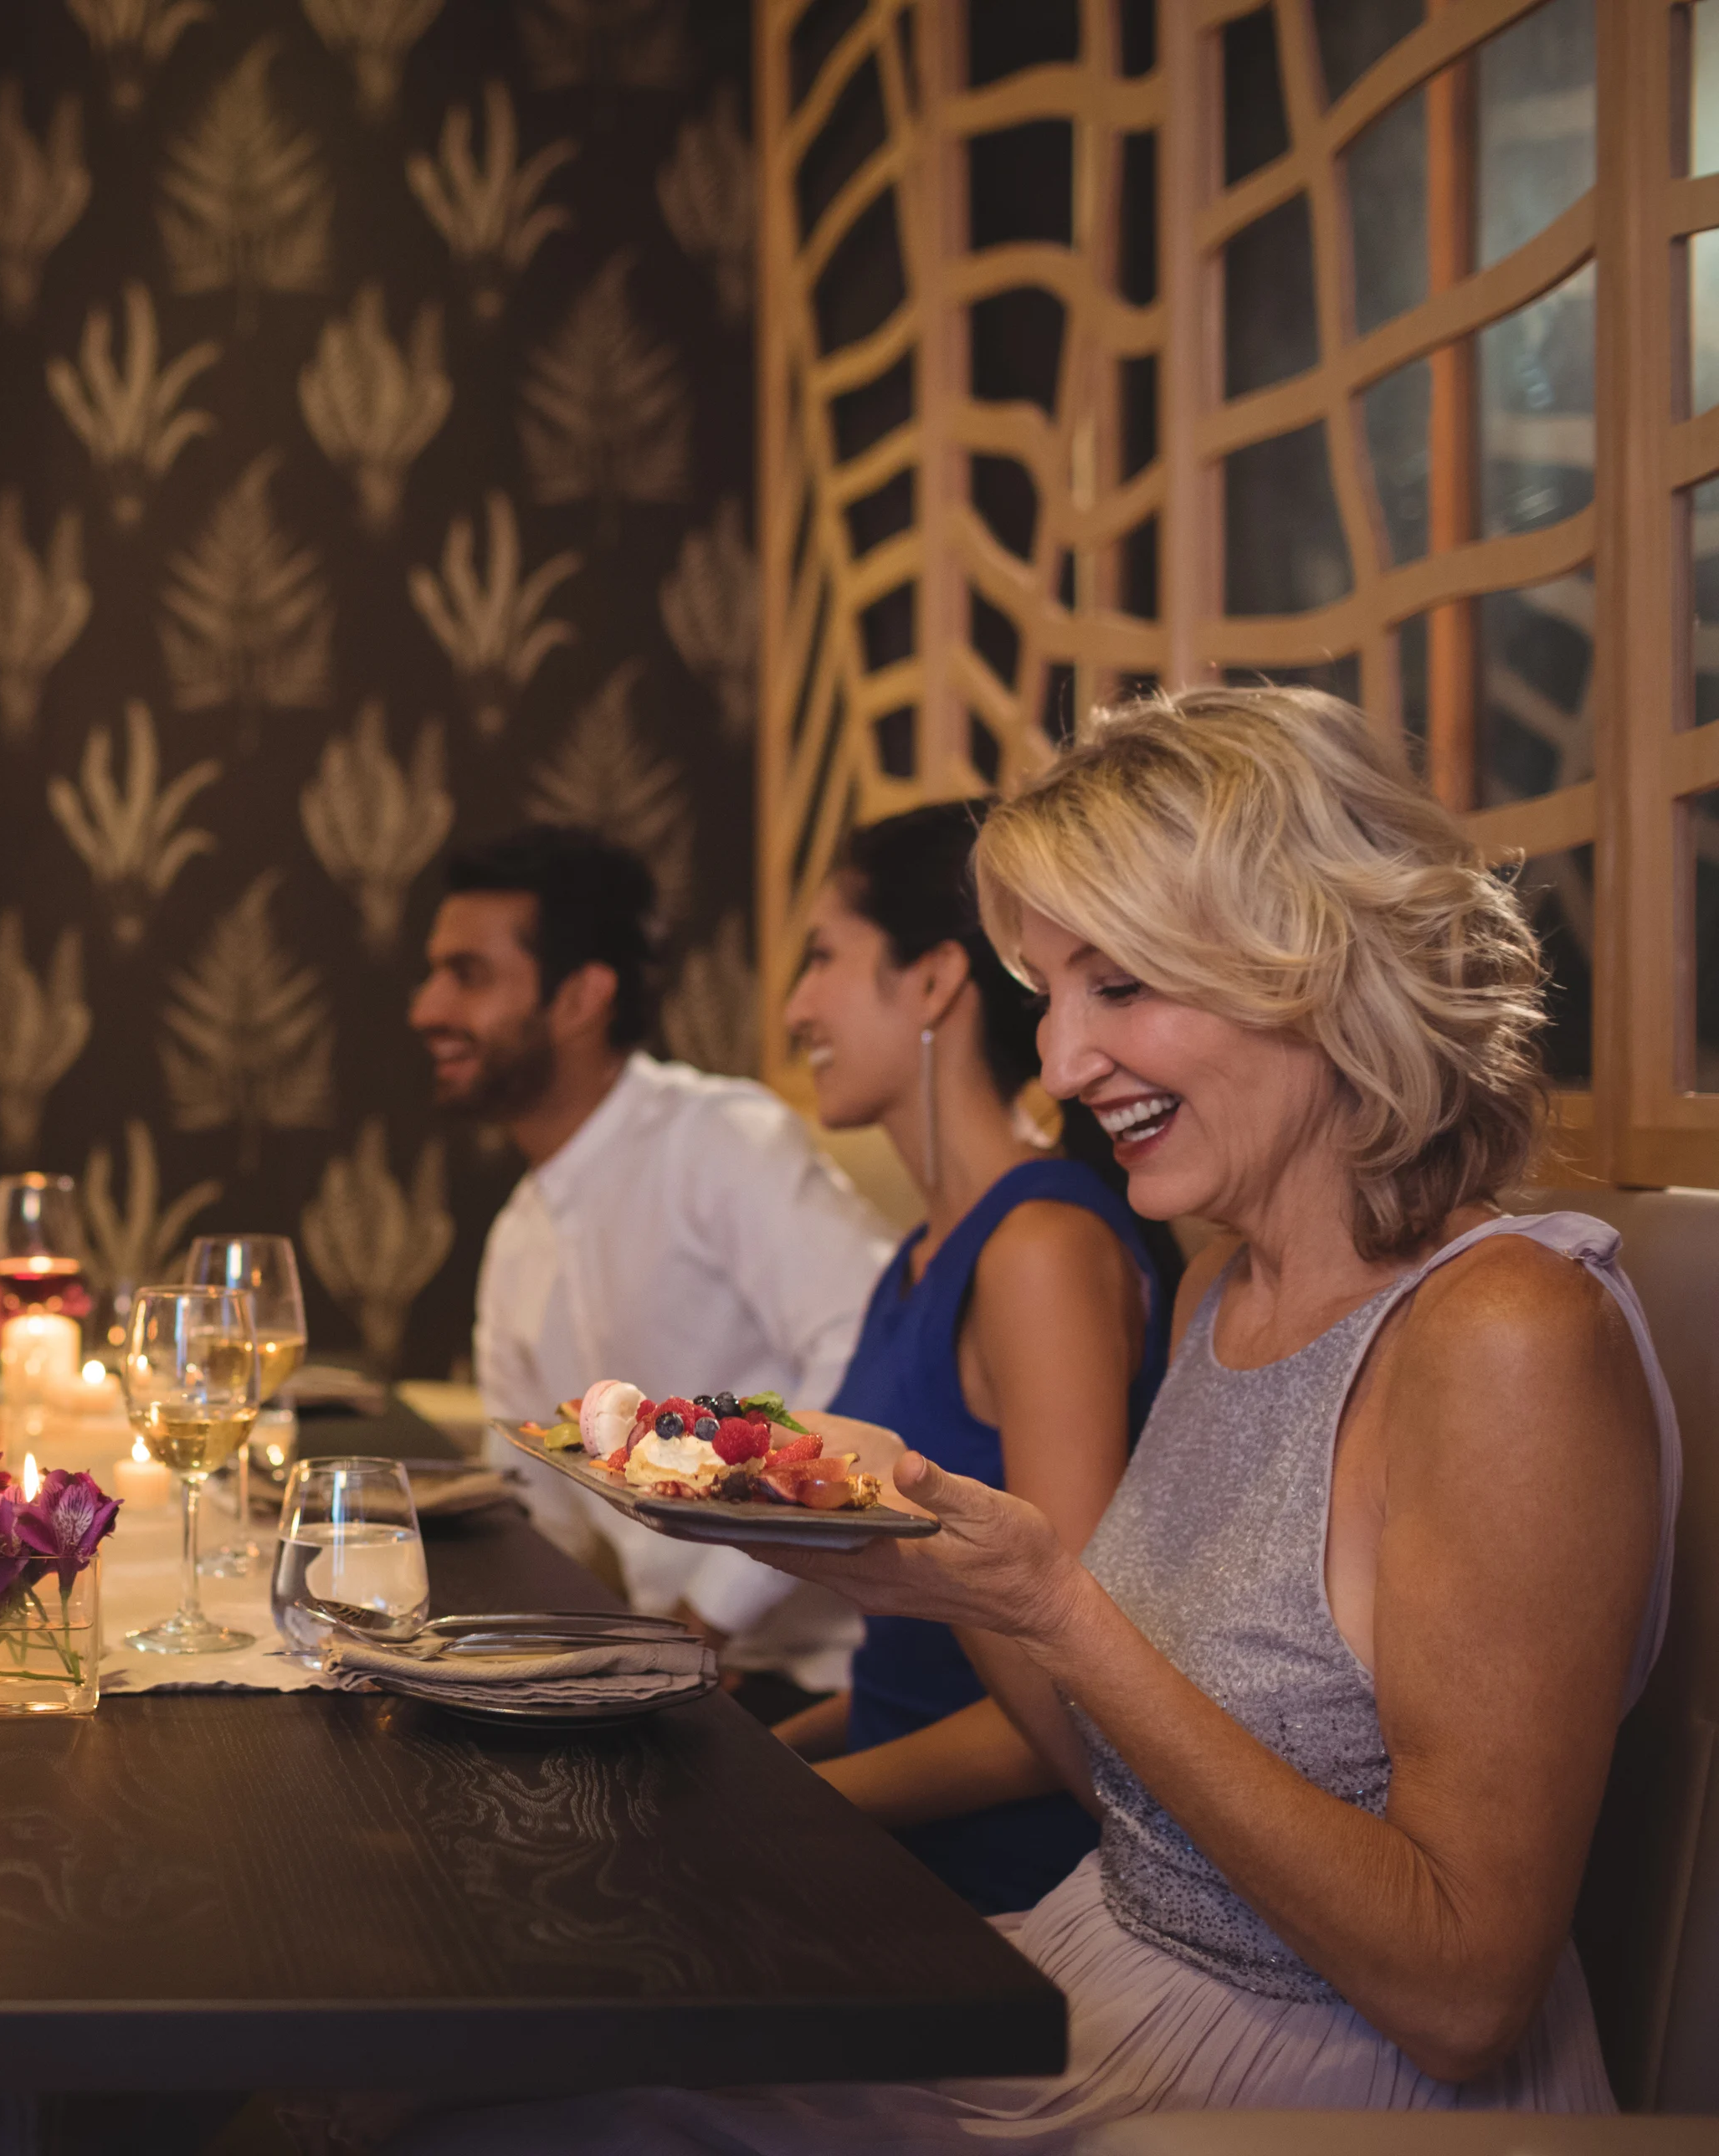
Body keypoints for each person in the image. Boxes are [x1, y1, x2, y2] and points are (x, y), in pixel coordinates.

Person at [390, 687, 1681, 2151]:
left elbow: (1460, 1994)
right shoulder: (1217, 1288)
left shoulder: (1507, 1333)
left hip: (1318, 2097)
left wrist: (1056, 1611)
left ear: (1309, 965)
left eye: (1117, 989)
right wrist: (933, 1569)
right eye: (1049, 995)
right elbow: (1128, 1804)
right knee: (466, 2088)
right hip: (1086, 1976)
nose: (1060, 1063)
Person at [772, 801, 1173, 1915]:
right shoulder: (921, 1254)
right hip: (892, 1844)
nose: (796, 1005)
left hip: (997, 1890)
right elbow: (907, 1679)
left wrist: (801, 1807)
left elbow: (1074, 1684)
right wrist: (752, 1751)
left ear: (937, 979)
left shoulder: (1037, 1247)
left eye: (822, 959)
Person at [415, 824, 894, 1705]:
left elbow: (872, 1349)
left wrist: (708, 1615)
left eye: (468, 975)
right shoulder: (521, 1232)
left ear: (581, 996)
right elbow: (532, 1499)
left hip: (838, 1676)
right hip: (692, 1673)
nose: (427, 1008)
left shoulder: (718, 1140)